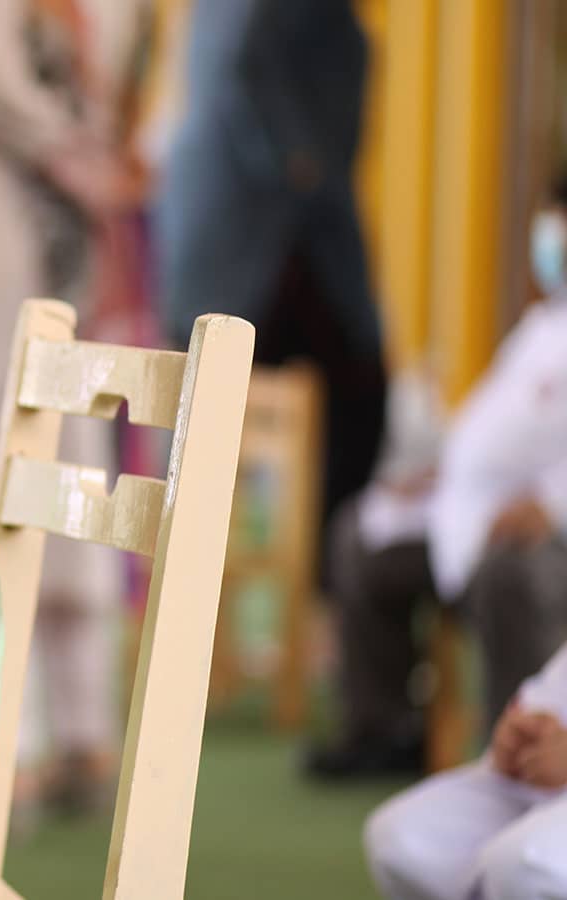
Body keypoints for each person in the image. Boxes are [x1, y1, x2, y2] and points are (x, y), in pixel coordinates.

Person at [0, 0, 148, 814]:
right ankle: (12, 736)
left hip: (77, 227)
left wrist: (106, 167)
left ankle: (85, 727)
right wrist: (74, 151)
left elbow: (124, 85)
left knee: (78, 452)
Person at [307, 179, 567, 778]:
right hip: (469, 510)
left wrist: (553, 504)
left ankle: (518, 758)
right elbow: (489, 430)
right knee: (362, 536)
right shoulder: (541, 326)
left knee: (514, 573)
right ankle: (384, 732)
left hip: (540, 527)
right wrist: (440, 474)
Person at [155, 0, 386, 539]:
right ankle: (317, 578)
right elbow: (246, 66)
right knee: (356, 397)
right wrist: (301, 163)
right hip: (262, 242)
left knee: (204, 424)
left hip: (245, 245)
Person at [364, 642, 567, 899]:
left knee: (526, 865)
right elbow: (552, 693)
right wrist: (524, 735)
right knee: (401, 839)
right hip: (538, 784)